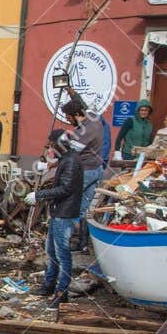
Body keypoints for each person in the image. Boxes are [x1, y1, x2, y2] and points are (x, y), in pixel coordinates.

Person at [24, 128, 84, 305]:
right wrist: (48, 166)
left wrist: (40, 195)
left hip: (64, 213)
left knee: (62, 253)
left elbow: (65, 188)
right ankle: (49, 284)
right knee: (51, 251)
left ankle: (61, 291)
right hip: (59, 210)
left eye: (51, 146)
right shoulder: (67, 159)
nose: (50, 150)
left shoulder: (71, 162)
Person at [59, 98, 103, 249]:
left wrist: (64, 139)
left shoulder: (86, 131)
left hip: (85, 171)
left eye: (69, 117)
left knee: (70, 206)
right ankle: (82, 243)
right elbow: (84, 105)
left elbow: (71, 152)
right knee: (84, 208)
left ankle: (64, 239)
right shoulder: (93, 118)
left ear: (77, 114)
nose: (67, 120)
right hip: (96, 170)